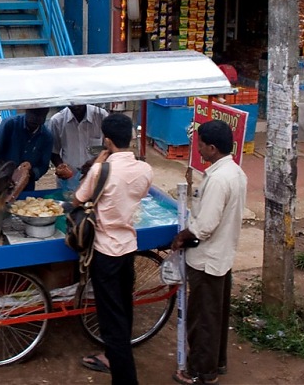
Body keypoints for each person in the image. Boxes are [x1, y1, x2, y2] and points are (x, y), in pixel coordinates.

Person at [77, 113, 153, 385]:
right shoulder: (145, 170)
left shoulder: (102, 170)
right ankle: (114, 356)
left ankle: (125, 378)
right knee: (124, 307)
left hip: (106, 251)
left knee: (112, 323)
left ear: (107, 141)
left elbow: (78, 198)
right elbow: (138, 195)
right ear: (130, 137)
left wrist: (101, 158)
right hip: (128, 248)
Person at [171, 120, 248, 385]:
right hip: (222, 256)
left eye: (201, 144)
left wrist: (182, 236)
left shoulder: (218, 179)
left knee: (202, 320)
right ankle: (217, 363)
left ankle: (201, 372)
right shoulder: (236, 173)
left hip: (207, 259)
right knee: (215, 314)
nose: (198, 149)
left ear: (212, 147)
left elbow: (204, 226)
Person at [0, 108, 52, 194]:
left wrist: (28, 173)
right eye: (31, 120)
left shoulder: (46, 136)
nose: (34, 123)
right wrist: (3, 172)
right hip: (1, 182)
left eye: (37, 122)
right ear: (26, 111)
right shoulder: (10, 124)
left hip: (26, 187)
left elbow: (43, 165)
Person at [48, 104, 109, 191]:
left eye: (79, 103)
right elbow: (53, 151)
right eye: (72, 104)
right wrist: (61, 167)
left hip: (97, 179)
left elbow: (109, 146)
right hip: (69, 183)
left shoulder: (101, 116)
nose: (76, 106)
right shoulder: (57, 120)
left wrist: (94, 162)